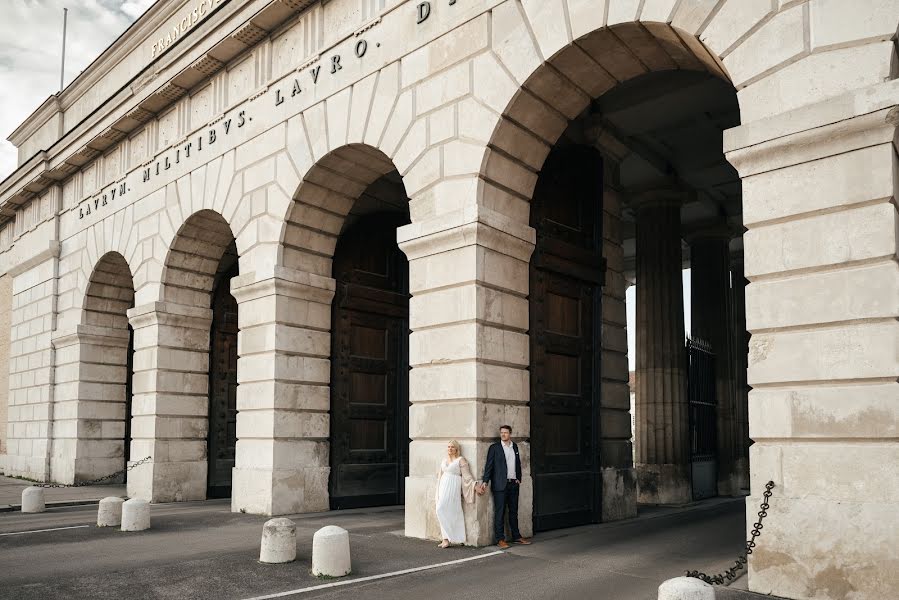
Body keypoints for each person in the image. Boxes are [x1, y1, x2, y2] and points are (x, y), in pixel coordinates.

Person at [478, 425, 532, 548]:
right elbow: (489, 466)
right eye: (501, 433)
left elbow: (518, 463)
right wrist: (485, 482)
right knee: (500, 512)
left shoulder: (515, 447)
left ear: (510, 434)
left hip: (513, 484)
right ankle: (500, 539)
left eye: (505, 433)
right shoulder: (494, 448)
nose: (503, 434)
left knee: (513, 511)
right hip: (500, 484)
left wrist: (519, 478)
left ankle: (516, 536)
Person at [435, 439, 478, 548]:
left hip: (453, 488)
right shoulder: (444, 460)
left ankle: (455, 537)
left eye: (452, 447)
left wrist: (475, 486)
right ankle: (445, 539)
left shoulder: (461, 460)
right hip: (443, 487)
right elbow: (440, 475)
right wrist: (438, 489)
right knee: (440, 509)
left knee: (453, 512)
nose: (450, 449)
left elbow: (467, 476)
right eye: (448, 447)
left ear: (456, 449)